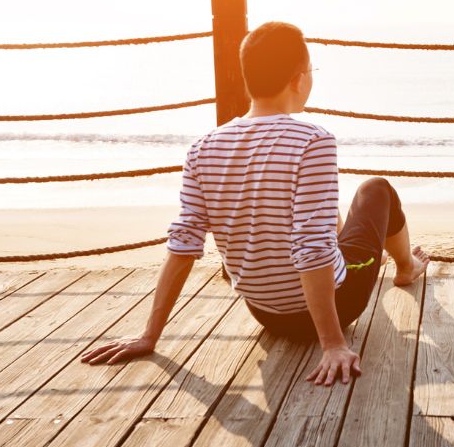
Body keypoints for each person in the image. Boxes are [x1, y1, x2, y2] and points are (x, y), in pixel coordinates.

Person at [81, 22, 430, 385]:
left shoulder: (203, 148)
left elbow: (184, 243)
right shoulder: (313, 140)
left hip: (265, 312)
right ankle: (406, 268)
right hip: (339, 306)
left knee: (311, 205)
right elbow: (310, 247)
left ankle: (379, 261)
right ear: (299, 80)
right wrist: (332, 344)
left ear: (249, 80)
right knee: (375, 189)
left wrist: (149, 335)